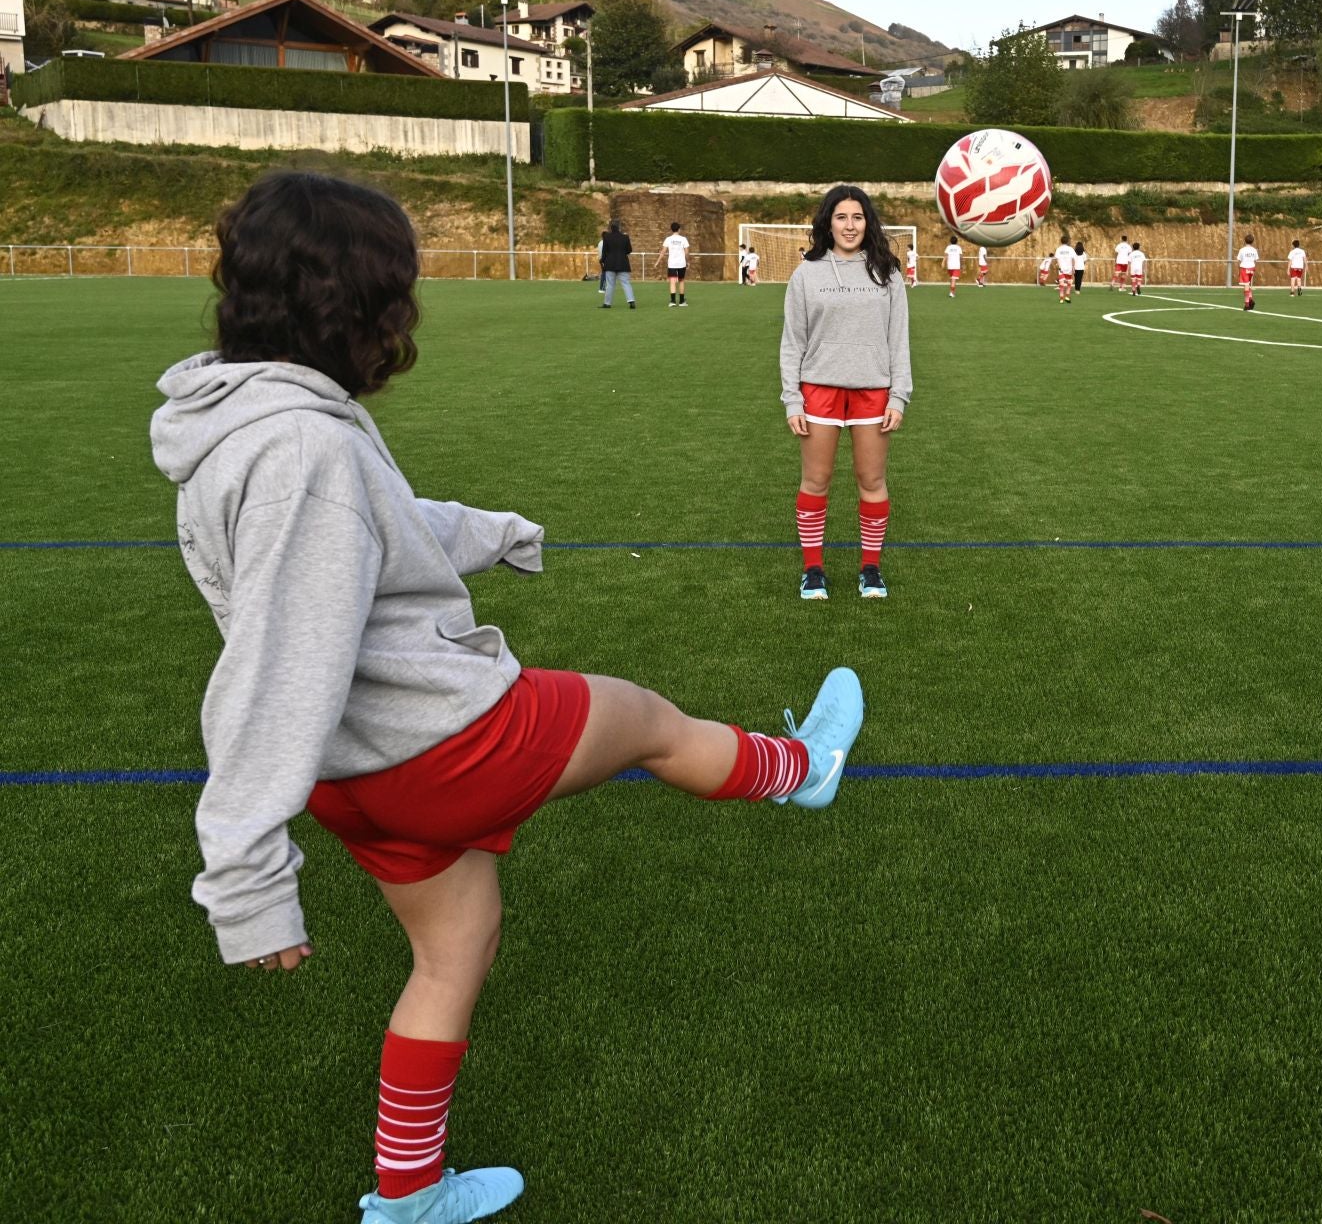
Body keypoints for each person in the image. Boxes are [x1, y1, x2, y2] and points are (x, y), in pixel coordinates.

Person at [149, 171, 866, 1224]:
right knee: (649, 720)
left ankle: (408, 1194)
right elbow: (277, 658)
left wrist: (489, 531)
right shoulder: (308, 446)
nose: (409, 316)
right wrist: (247, 874)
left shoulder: (246, 417)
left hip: (362, 778)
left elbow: (369, 533)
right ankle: (801, 771)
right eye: (400, 292)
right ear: (356, 305)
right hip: (440, 741)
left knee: (456, 949)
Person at [782, 184, 911, 601]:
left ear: (867, 222)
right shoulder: (807, 273)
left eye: (857, 217)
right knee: (816, 480)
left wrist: (899, 395)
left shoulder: (887, 272)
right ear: (828, 222)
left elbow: (899, 339)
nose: (850, 225)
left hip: (873, 391)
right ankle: (812, 570)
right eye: (841, 217)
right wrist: (792, 398)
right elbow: (793, 341)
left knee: (871, 479)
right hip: (818, 389)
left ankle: (870, 569)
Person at [597, 218, 633, 310]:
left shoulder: (607, 237)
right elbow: (629, 250)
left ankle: (607, 303)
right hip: (623, 263)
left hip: (610, 264)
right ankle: (631, 301)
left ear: (611, 228)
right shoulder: (625, 237)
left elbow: (605, 251)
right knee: (626, 283)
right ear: (619, 227)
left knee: (610, 284)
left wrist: (602, 261)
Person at [656, 222, 691, 308]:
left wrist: (657, 261)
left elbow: (663, 252)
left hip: (672, 264)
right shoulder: (683, 239)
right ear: (679, 229)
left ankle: (673, 301)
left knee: (672, 282)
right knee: (681, 281)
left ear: (671, 229)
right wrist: (688, 262)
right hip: (681, 263)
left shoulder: (668, 239)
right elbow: (687, 252)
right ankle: (682, 302)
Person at [1236, 234, 1260, 311]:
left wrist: (1238, 268)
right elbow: (1256, 260)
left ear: (1244, 241)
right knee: (1248, 285)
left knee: (1246, 285)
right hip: (1252, 268)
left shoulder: (1242, 250)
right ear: (1252, 241)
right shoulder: (1254, 250)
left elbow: (1238, 260)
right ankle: (1251, 300)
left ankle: (1247, 304)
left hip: (1244, 267)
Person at [1053, 234, 1076, 305]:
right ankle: (1067, 297)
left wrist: (1059, 266)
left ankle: (1061, 299)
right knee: (1069, 283)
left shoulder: (1058, 249)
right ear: (1068, 241)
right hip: (1069, 269)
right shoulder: (1071, 249)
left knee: (1061, 284)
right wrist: (1073, 267)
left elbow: (1057, 259)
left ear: (1061, 241)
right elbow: (1073, 259)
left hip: (1061, 269)